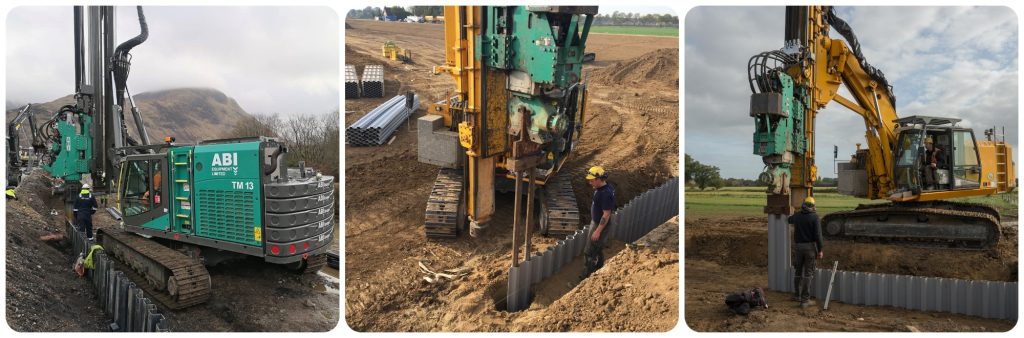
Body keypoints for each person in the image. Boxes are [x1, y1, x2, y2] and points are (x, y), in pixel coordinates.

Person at [788, 196, 823, 307]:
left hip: (798, 247)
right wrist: (820, 249)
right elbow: (818, 235)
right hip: (810, 248)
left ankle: (797, 296)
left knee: (798, 271)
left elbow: (789, 220)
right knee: (808, 273)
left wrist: (796, 212)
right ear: (812, 206)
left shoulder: (797, 216)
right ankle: (805, 300)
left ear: (804, 205)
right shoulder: (815, 218)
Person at [581, 166, 615, 279]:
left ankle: (586, 276)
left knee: (589, 251)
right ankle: (599, 266)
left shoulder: (605, 194)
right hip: (597, 222)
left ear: (599, 179)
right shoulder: (603, 189)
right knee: (597, 247)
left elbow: (606, 214)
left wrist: (597, 231)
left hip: (599, 225)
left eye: (592, 180)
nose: (590, 182)